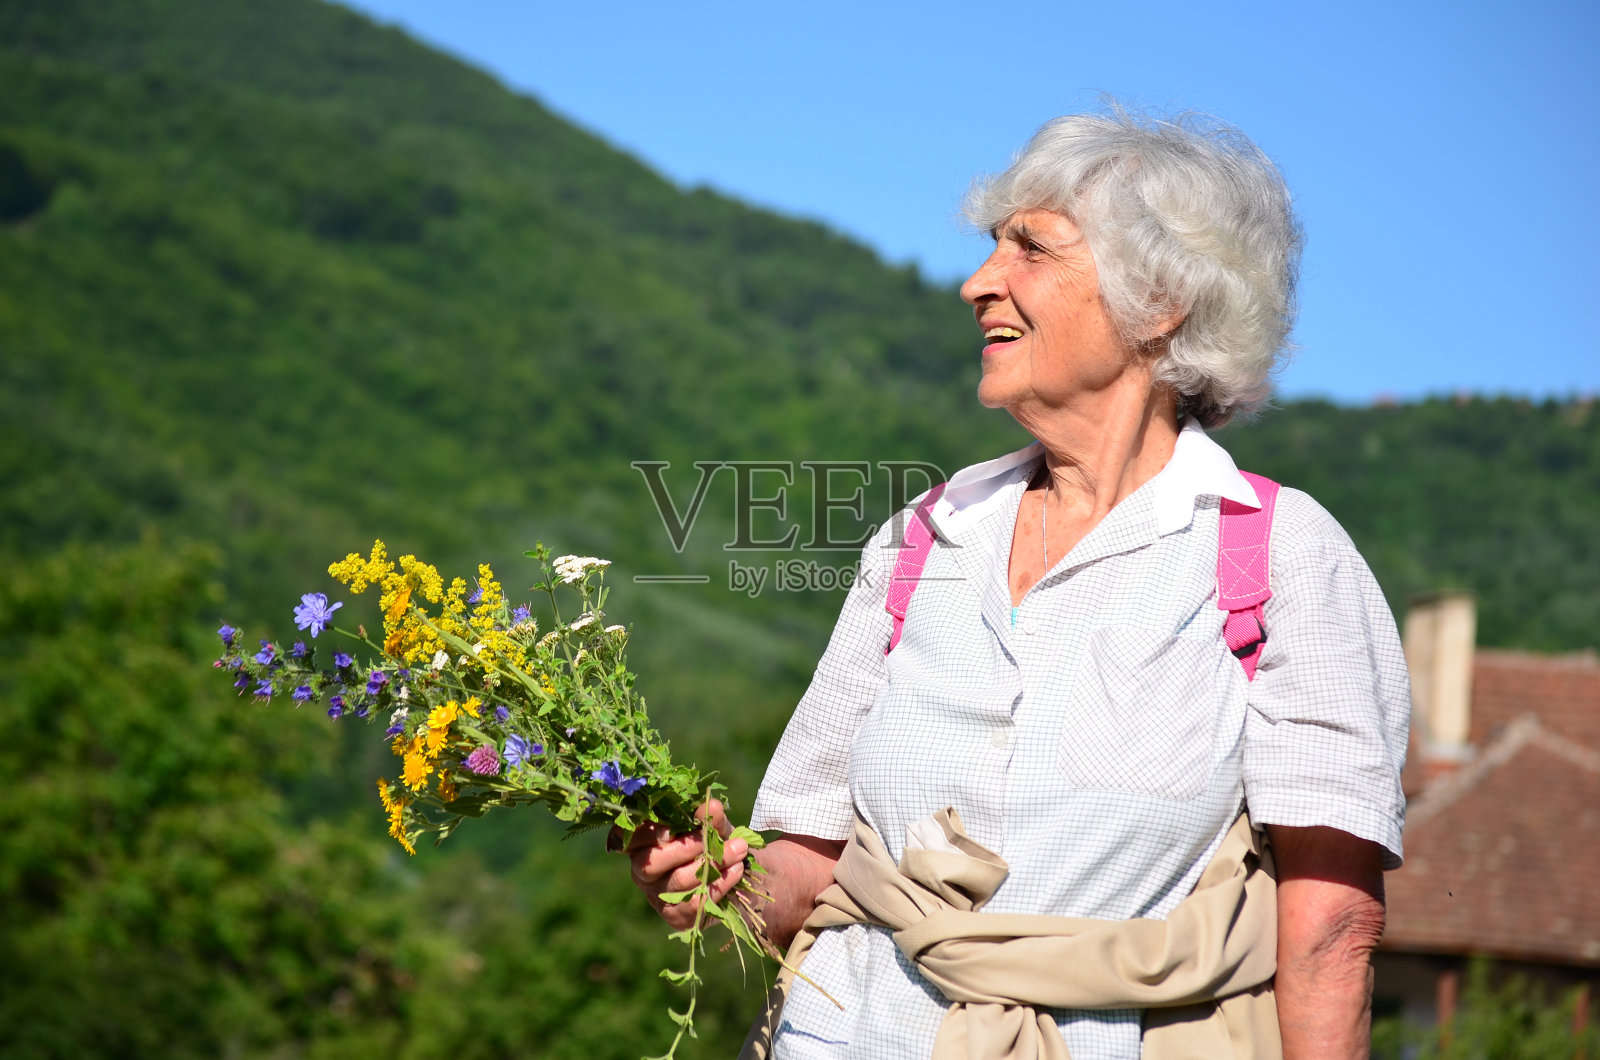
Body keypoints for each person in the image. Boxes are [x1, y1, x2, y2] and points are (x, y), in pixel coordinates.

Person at [627, 109, 1409, 1060]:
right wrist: (715, 874)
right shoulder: (921, 540)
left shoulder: (1282, 558)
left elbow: (1331, 929)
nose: (977, 283)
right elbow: (805, 871)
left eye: (1030, 249)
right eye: (992, 247)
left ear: (1159, 302)